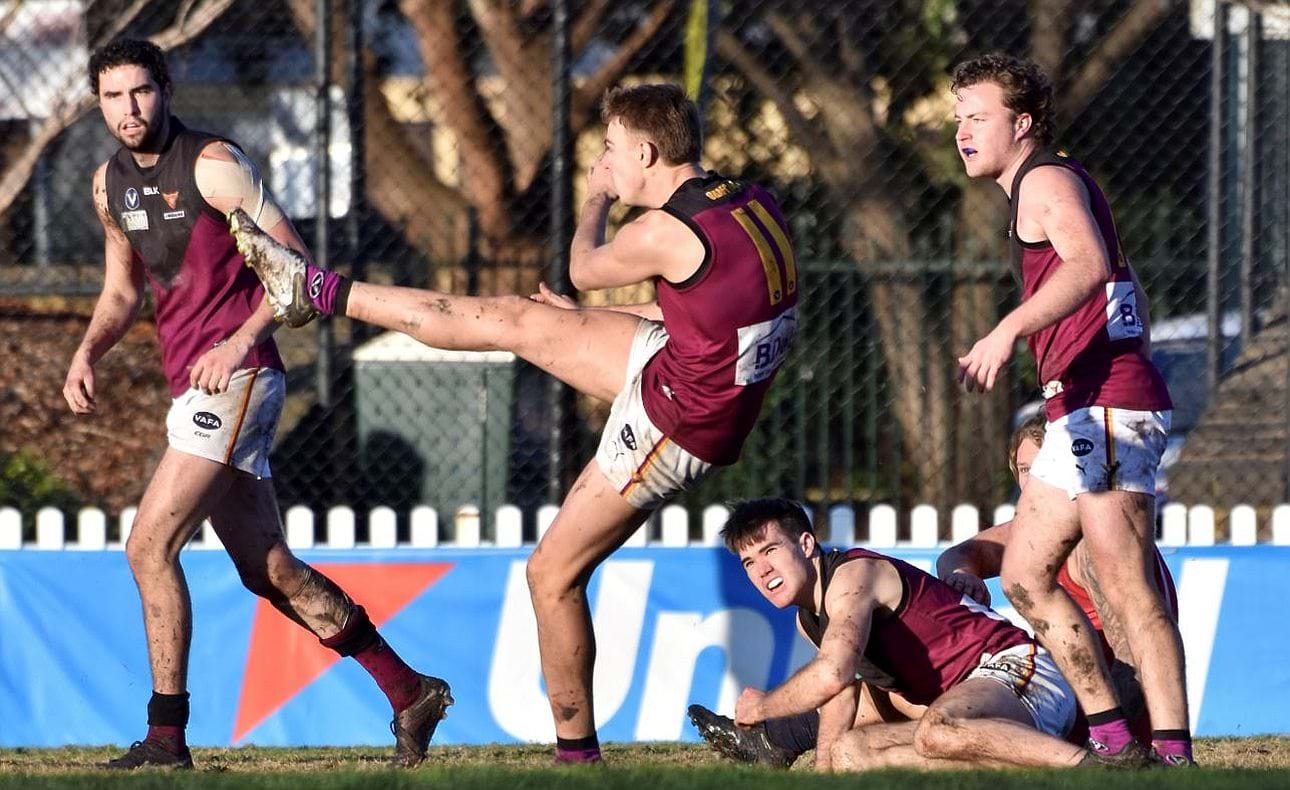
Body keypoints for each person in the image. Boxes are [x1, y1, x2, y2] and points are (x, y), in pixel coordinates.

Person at [236, 83, 800, 763]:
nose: (606, 162)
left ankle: (576, 759)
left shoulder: (662, 231)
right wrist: (626, 325)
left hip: (676, 420)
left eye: (612, 151)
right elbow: (742, 314)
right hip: (689, 367)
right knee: (516, 318)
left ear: (647, 153)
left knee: (550, 574)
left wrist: (595, 198)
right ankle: (316, 289)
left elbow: (584, 267)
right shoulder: (750, 200)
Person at [65, 39, 449, 770]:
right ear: (99, 102)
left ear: (167, 88)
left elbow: (295, 266)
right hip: (194, 384)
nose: (129, 108)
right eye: (113, 96)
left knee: (149, 546)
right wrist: (87, 352)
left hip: (242, 378)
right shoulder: (105, 184)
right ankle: (410, 691)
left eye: (141, 91)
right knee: (268, 569)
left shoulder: (212, 163)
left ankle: (166, 737)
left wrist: (240, 341)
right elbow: (122, 292)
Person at [951, 52, 1190, 766]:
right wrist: (1118, 343)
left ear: (1022, 124)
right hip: (1080, 409)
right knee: (1024, 574)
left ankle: (1174, 754)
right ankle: (1114, 739)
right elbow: (1126, 283)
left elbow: (1087, 264)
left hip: (1108, 409)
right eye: (958, 118)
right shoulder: (1049, 180)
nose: (962, 132)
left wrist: (1008, 329)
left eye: (978, 117)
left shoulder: (1044, 180)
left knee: (1124, 581)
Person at [719, 498, 1089, 772]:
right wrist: (823, 769)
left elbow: (833, 673)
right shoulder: (809, 618)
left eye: (770, 550)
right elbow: (839, 695)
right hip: (972, 708)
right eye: (749, 562)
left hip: (1023, 673)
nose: (762, 569)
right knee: (850, 753)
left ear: (805, 544)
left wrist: (763, 707)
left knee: (937, 731)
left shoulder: (853, 577)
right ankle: (1039, 772)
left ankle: (1095, 772)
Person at [937, 413, 1180, 745]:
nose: (1034, 483)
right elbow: (961, 554)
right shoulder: (1039, 531)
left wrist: (1096, 737)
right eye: (1025, 470)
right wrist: (963, 575)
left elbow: (1134, 659)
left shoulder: (1093, 544)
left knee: (949, 729)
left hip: (1100, 721)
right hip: (1065, 704)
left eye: (1042, 470)